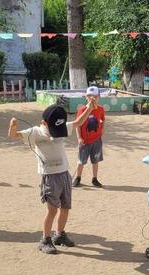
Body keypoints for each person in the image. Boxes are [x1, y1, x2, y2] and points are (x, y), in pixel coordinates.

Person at [8, 98, 94, 254]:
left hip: (64, 174)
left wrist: (89, 107)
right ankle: (45, 239)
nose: (57, 130)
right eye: (53, 127)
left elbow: (78, 122)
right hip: (49, 176)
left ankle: (59, 235)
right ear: (44, 122)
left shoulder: (61, 127)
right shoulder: (35, 132)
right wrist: (13, 125)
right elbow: (14, 136)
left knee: (65, 207)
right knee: (52, 210)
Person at [73, 86, 105, 188]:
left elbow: (103, 120)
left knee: (95, 160)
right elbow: (78, 125)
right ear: (86, 97)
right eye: (90, 96)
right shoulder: (82, 110)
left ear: (99, 97)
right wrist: (79, 138)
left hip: (96, 140)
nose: (92, 99)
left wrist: (101, 130)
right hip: (85, 141)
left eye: (95, 96)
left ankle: (94, 178)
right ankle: (78, 177)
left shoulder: (100, 109)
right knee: (81, 161)